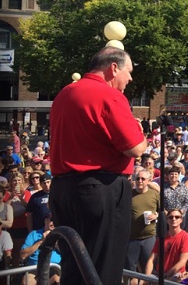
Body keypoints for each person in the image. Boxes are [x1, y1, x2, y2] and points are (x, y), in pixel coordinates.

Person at [48, 47, 147, 284]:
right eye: (129, 72)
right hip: (100, 189)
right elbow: (134, 148)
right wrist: (142, 135)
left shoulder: (65, 93)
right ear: (114, 68)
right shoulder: (108, 95)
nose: (130, 79)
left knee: (74, 266)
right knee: (102, 269)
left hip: (63, 189)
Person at [126, 167, 160, 284]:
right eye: (138, 178)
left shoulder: (154, 194)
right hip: (132, 238)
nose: (140, 181)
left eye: (143, 179)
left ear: (148, 180)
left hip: (149, 237)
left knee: (148, 268)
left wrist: (156, 216)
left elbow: (162, 212)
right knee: (131, 269)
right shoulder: (129, 195)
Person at [145, 208, 188, 281]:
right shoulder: (161, 238)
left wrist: (166, 276)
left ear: (181, 220)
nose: (174, 219)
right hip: (159, 274)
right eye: (171, 217)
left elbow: (182, 261)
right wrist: (146, 278)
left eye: (177, 217)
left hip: (176, 274)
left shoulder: (186, 237)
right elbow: (151, 260)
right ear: (167, 220)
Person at [20, 214, 61, 284]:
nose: (53, 223)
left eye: (56, 221)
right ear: (46, 220)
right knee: (26, 282)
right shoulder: (33, 234)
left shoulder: (61, 235)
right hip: (35, 268)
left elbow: (67, 253)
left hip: (54, 268)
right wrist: (41, 241)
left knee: (57, 280)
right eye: (51, 220)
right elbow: (23, 255)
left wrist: (56, 243)